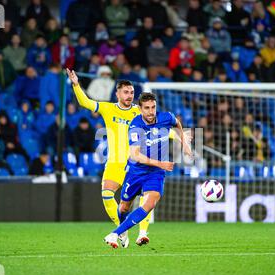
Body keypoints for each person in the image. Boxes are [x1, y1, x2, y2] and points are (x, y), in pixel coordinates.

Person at [66, 69, 188, 246]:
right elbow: (85, 102)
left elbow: (158, 129)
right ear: (117, 93)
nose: (129, 95)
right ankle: (122, 231)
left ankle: (143, 232)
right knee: (107, 194)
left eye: (131, 92)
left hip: (137, 162)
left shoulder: (139, 113)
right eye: (126, 92)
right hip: (115, 162)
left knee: (145, 198)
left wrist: (178, 137)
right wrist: (76, 84)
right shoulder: (108, 108)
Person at [103, 92, 191, 248]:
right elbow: (136, 155)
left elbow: (177, 123)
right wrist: (161, 164)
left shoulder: (166, 117)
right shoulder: (136, 126)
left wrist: (184, 143)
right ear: (140, 109)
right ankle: (123, 231)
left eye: (153, 107)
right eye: (147, 108)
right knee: (124, 207)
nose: (151, 112)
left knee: (149, 203)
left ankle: (114, 234)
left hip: (155, 174)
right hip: (136, 171)